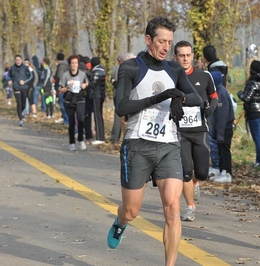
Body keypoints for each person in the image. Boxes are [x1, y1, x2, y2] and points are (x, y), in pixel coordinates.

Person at [106, 16, 201, 266]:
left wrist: (179, 99)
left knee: (172, 208)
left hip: (168, 146)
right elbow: (121, 107)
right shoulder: (131, 68)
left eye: (169, 42)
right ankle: (120, 222)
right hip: (137, 146)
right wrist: (159, 98)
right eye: (161, 41)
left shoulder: (174, 69)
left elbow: (196, 97)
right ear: (148, 40)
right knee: (131, 211)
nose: (166, 47)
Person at [173, 40, 218, 221]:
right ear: (175, 57)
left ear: (193, 56)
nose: (185, 59)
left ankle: (195, 181)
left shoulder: (204, 75)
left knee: (201, 172)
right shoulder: (170, 77)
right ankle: (191, 207)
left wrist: (211, 109)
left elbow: (214, 97)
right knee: (185, 169)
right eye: (181, 55)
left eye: (188, 55)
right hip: (180, 131)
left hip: (200, 130)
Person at [237, 60, 260, 167]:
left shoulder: (253, 82)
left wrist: (239, 93)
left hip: (255, 112)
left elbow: (246, 98)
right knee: (258, 138)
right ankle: (259, 160)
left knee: (257, 139)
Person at [59, 55, 89, 151]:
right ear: (69, 64)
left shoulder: (82, 74)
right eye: (72, 63)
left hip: (80, 98)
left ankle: (81, 139)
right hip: (69, 99)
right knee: (71, 122)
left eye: (76, 63)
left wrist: (84, 85)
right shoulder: (65, 75)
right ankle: (72, 142)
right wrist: (68, 87)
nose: (74, 65)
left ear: (78, 64)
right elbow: (61, 90)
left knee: (80, 119)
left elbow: (86, 83)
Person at [202, 45, 222, 177]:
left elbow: (210, 89)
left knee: (212, 137)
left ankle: (216, 165)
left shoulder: (213, 72)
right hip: (220, 105)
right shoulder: (221, 67)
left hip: (214, 106)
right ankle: (217, 165)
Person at [110, 52, 136, 144]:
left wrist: (114, 82)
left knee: (118, 118)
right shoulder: (136, 68)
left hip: (119, 96)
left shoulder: (117, 68)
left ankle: (115, 138)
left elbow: (113, 80)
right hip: (131, 97)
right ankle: (128, 138)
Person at [6, 55, 33, 127]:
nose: (18, 61)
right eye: (16, 60)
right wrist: (9, 80)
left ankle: (20, 112)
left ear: (21, 60)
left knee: (23, 104)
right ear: (15, 60)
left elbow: (31, 76)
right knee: (19, 102)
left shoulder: (25, 67)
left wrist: (25, 81)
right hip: (16, 87)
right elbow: (8, 75)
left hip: (24, 87)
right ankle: (21, 119)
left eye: (19, 60)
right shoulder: (12, 68)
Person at [90, 57, 106, 145]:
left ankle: (100, 137)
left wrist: (88, 82)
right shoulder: (103, 70)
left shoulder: (96, 71)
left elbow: (93, 83)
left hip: (97, 95)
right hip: (102, 94)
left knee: (97, 116)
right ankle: (101, 136)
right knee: (100, 116)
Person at [54, 53, 70, 125]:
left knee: (62, 104)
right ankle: (66, 118)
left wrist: (56, 80)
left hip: (62, 87)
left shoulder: (61, 66)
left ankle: (66, 120)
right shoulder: (67, 65)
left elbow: (60, 77)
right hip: (67, 86)